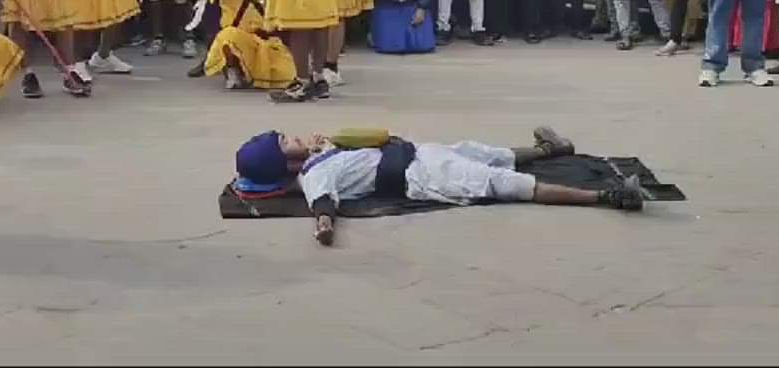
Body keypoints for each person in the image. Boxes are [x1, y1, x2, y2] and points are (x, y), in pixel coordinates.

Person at [233, 126, 642, 247]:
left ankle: (549, 150)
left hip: (417, 153)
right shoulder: (313, 175)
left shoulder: (323, 150)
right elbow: (323, 203)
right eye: (287, 141)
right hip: (419, 177)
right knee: (501, 182)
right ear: (284, 161)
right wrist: (324, 225)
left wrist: (332, 142)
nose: (297, 136)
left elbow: (376, 133)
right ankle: (608, 196)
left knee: (484, 151)